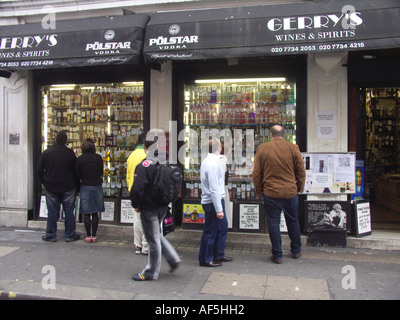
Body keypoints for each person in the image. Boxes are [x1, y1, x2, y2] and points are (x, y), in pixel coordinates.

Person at [130, 137, 181, 281]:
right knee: (156, 234)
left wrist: (136, 205)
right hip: (163, 205)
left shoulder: (145, 165)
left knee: (152, 240)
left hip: (149, 207)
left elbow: (137, 188)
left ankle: (151, 272)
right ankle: (173, 258)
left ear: (145, 148)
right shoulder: (165, 160)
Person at [252, 125, 305, 264]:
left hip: (271, 192)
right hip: (290, 192)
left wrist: (259, 189)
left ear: (271, 135)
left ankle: (277, 254)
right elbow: (301, 171)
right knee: (293, 221)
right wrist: (299, 187)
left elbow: (256, 173)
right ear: (284, 135)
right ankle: (296, 250)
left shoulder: (263, 149)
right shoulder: (293, 148)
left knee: (273, 223)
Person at [36, 132, 80, 242]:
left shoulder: (47, 152)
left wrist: (44, 182)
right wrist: (77, 186)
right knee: (69, 211)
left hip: (51, 186)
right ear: (66, 141)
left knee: (52, 211)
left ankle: (51, 234)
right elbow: (76, 171)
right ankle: (70, 235)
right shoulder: (70, 153)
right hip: (68, 186)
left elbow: (39, 169)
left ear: (55, 139)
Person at [198, 138, 232, 267]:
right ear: (219, 148)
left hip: (214, 200)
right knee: (210, 231)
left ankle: (218, 254)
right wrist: (219, 209)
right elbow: (214, 188)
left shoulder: (211, 161)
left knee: (221, 228)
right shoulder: (212, 164)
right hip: (213, 202)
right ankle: (206, 259)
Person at [76, 139, 105, 243]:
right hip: (97, 186)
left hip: (85, 186)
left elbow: (77, 174)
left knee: (87, 212)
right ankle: (94, 235)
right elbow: (101, 171)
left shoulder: (80, 159)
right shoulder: (98, 158)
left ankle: (88, 235)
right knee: (95, 212)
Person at [126, 133, 148, 255]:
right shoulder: (145, 156)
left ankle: (138, 244)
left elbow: (128, 175)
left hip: (133, 190)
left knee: (137, 219)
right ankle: (145, 245)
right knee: (146, 219)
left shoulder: (131, 156)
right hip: (143, 191)